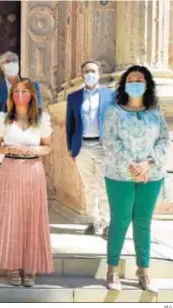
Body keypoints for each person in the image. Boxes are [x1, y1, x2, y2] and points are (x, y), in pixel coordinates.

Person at [102, 66, 170, 293]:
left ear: (147, 83)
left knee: (143, 223)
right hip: (120, 175)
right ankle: (112, 270)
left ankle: (144, 271)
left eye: (139, 79)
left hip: (151, 175)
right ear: (124, 84)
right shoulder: (114, 111)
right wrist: (132, 165)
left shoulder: (155, 111)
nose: (135, 82)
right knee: (120, 221)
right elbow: (110, 142)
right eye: (130, 79)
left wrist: (147, 164)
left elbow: (164, 140)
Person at [0, 78, 53, 287]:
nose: (19, 94)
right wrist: (9, 149)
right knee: (10, 217)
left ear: (32, 95)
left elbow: (47, 146)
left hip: (33, 169)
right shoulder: (3, 118)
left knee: (33, 216)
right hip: (10, 169)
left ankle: (31, 266)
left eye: (24, 90)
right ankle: (12, 265)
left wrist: (34, 150)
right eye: (16, 91)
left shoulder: (42, 119)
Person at [0, 51, 42, 212]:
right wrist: (3, 133)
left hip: (26, 145)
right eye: (7, 61)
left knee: (26, 189)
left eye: (14, 60)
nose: (11, 63)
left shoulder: (33, 86)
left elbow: (38, 111)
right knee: (1, 186)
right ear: (1, 66)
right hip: (2, 145)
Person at [66, 60, 115, 236]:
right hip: (82, 146)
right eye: (87, 71)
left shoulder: (111, 96)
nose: (90, 74)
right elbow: (70, 124)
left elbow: (115, 121)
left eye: (93, 71)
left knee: (103, 186)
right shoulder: (73, 97)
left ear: (99, 74)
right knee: (88, 187)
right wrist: (70, 147)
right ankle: (93, 222)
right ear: (82, 74)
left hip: (102, 146)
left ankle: (107, 223)